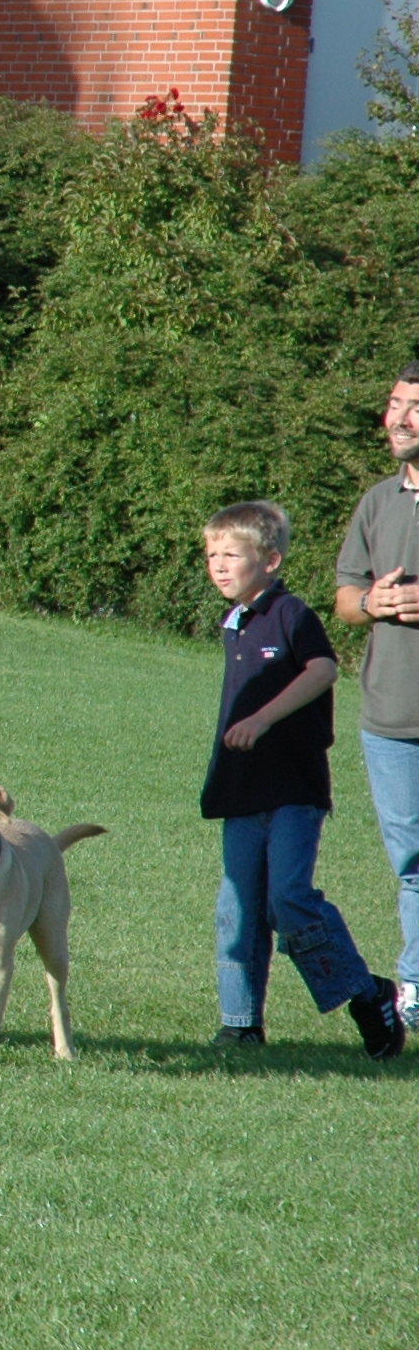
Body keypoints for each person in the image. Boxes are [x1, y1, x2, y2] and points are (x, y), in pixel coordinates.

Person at [198, 500, 404, 1056]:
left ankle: (368, 994)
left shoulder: (290, 614)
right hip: (242, 790)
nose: (218, 565)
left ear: (270, 560)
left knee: (288, 899)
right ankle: (240, 1023)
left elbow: (323, 669)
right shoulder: (235, 622)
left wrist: (263, 719)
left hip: (293, 790)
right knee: (237, 909)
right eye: (212, 555)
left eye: (231, 555)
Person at [335, 361, 419, 1026]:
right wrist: (372, 602)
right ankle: (416, 988)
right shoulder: (377, 502)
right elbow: (344, 598)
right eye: (395, 404)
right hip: (389, 720)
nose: (399, 418)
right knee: (413, 862)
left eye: (415, 407)